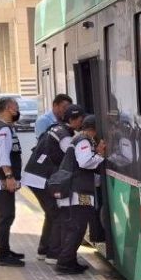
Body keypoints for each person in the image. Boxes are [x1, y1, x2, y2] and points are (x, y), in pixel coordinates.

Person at [23, 104, 85, 262]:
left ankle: (43, 251)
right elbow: (75, 157)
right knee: (57, 214)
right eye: (80, 119)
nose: (82, 123)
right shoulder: (64, 136)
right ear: (73, 119)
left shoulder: (57, 128)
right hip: (41, 178)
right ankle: (53, 254)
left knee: (51, 215)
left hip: (35, 175)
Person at [56, 115, 107, 275]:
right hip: (77, 192)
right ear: (94, 129)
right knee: (77, 228)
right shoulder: (84, 141)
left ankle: (70, 261)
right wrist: (99, 154)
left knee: (76, 228)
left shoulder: (82, 140)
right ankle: (64, 263)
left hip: (77, 191)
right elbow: (84, 162)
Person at [0, 97, 25, 267]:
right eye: (16, 106)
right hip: (0, 180)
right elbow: (3, 156)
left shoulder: (4, 127)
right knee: (5, 216)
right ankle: (2, 254)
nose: (18, 109)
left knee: (7, 215)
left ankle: (5, 249)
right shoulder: (3, 130)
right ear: (9, 108)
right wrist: (9, 177)